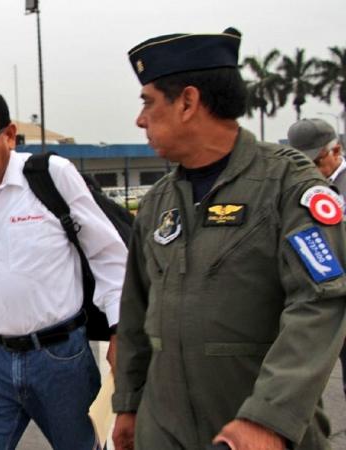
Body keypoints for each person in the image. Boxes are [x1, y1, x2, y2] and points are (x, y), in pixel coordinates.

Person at [112, 28, 346, 450]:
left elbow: (320, 303)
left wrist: (268, 419)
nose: (140, 119)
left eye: (148, 102)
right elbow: (135, 312)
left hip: (255, 435)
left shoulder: (288, 187)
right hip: (163, 431)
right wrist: (128, 404)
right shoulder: (158, 202)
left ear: (187, 102)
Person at [0, 85, 127, 449]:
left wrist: (120, 332)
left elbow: (108, 255)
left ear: (9, 135)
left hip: (60, 358)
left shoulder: (51, 176)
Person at [288, 118, 346, 401]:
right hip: (325, 297)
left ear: (336, 150)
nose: (311, 168)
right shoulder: (299, 185)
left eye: (317, 160)